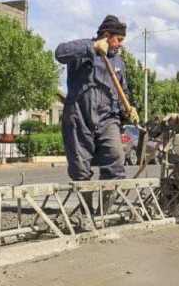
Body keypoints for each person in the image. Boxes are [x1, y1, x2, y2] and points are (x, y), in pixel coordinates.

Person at [55, 15, 139, 185]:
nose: (121, 43)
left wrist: (128, 107)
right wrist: (92, 46)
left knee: (115, 158)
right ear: (107, 35)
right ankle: (88, 210)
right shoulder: (83, 50)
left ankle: (105, 210)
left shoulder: (118, 61)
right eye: (119, 39)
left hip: (108, 119)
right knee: (80, 169)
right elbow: (60, 53)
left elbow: (123, 90)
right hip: (79, 117)